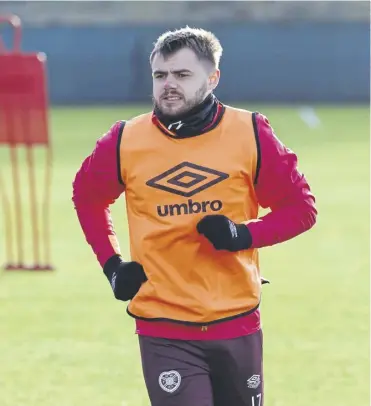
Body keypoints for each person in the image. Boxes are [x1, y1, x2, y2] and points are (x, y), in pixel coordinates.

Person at [72, 27, 317, 406]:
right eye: (160, 75)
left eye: (182, 75)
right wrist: (112, 265)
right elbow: (86, 196)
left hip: (237, 320)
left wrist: (242, 235)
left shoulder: (251, 132)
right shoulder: (124, 140)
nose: (168, 84)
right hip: (164, 326)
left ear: (213, 77)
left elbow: (301, 209)